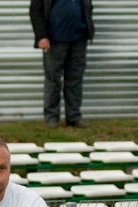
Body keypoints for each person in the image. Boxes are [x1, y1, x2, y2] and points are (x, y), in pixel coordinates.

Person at [29, 0, 95, 128]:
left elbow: (87, 6)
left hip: (78, 39)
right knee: (53, 80)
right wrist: (41, 36)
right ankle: (51, 118)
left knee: (75, 80)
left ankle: (74, 117)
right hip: (54, 40)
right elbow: (35, 10)